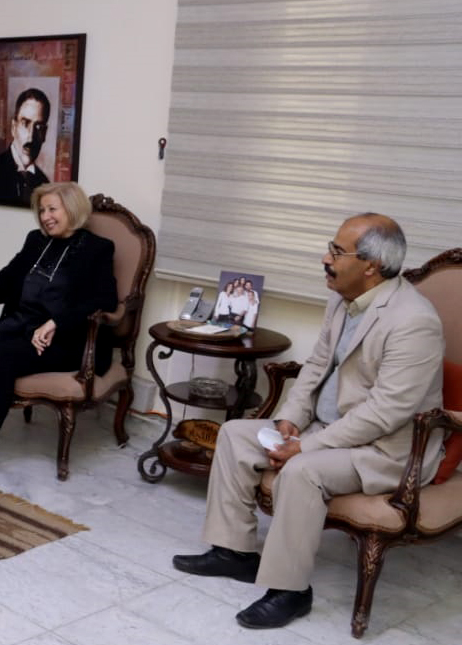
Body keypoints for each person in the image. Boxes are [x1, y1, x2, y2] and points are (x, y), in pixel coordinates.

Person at [172, 213, 444, 629]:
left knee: (302, 471)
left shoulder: (414, 321)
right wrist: (291, 419)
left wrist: (305, 447)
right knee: (234, 434)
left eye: (337, 252)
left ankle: (291, 591)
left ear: (370, 266)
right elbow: (317, 365)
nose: (325, 259)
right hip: (326, 428)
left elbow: (387, 411)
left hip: (383, 449)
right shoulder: (342, 299)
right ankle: (234, 552)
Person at [0, 182, 118, 485]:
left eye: (52, 209)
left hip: (65, 339)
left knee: (1, 358)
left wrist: (57, 321)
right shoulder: (36, 241)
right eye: (42, 210)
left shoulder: (97, 249)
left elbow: (104, 300)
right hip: (21, 326)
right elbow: (11, 275)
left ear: (72, 209)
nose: (45, 216)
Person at [0, 88, 52, 207]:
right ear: (14, 127)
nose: (31, 136)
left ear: (44, 134)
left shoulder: (44, 184)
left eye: (38, 127)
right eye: (25, 123)